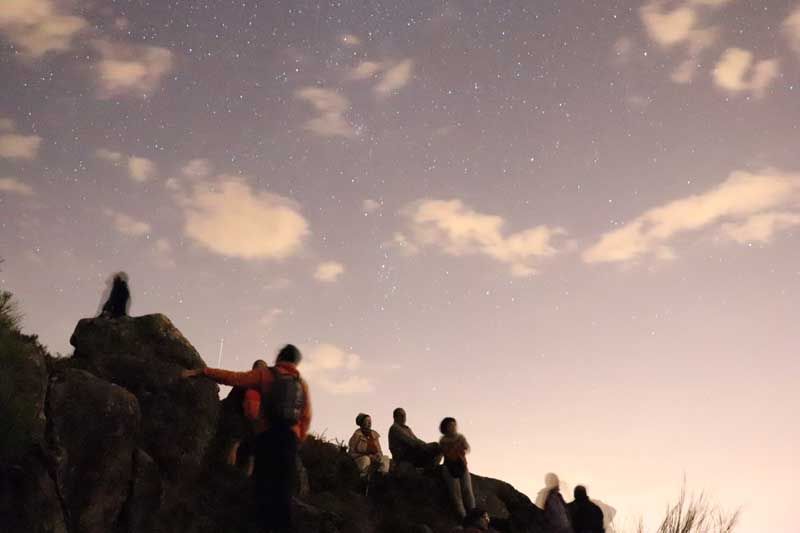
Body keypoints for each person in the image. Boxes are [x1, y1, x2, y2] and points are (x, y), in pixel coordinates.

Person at [183, 344, 311, 533]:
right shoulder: (301, 382)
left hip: (268, 436)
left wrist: (203, 371)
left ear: (280, 357)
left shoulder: (264, 375)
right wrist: (297, 438)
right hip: (289, 439)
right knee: (283, 489)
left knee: (262, 485)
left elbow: (233, 378)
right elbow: (305, 415)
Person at [219, 359, 268, 475]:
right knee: (251, 456)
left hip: (241, 419)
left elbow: (231, 400)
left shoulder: (246, 379)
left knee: (235, 446)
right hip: (254, 424)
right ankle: (242, 481)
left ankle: (229, 474)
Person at [439, 417, 475, 519]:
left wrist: (460, 447)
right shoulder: (443, 440)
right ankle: (464, 518)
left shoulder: (460, 437)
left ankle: (474, 515)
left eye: (454, 425)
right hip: (450, 467)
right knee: (456, 495)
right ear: (445, 428)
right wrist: (456, 448)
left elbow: (467, 448)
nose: (453, 427)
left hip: (462, 466)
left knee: (468, 491)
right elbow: (446, 453)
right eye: (450, 425)